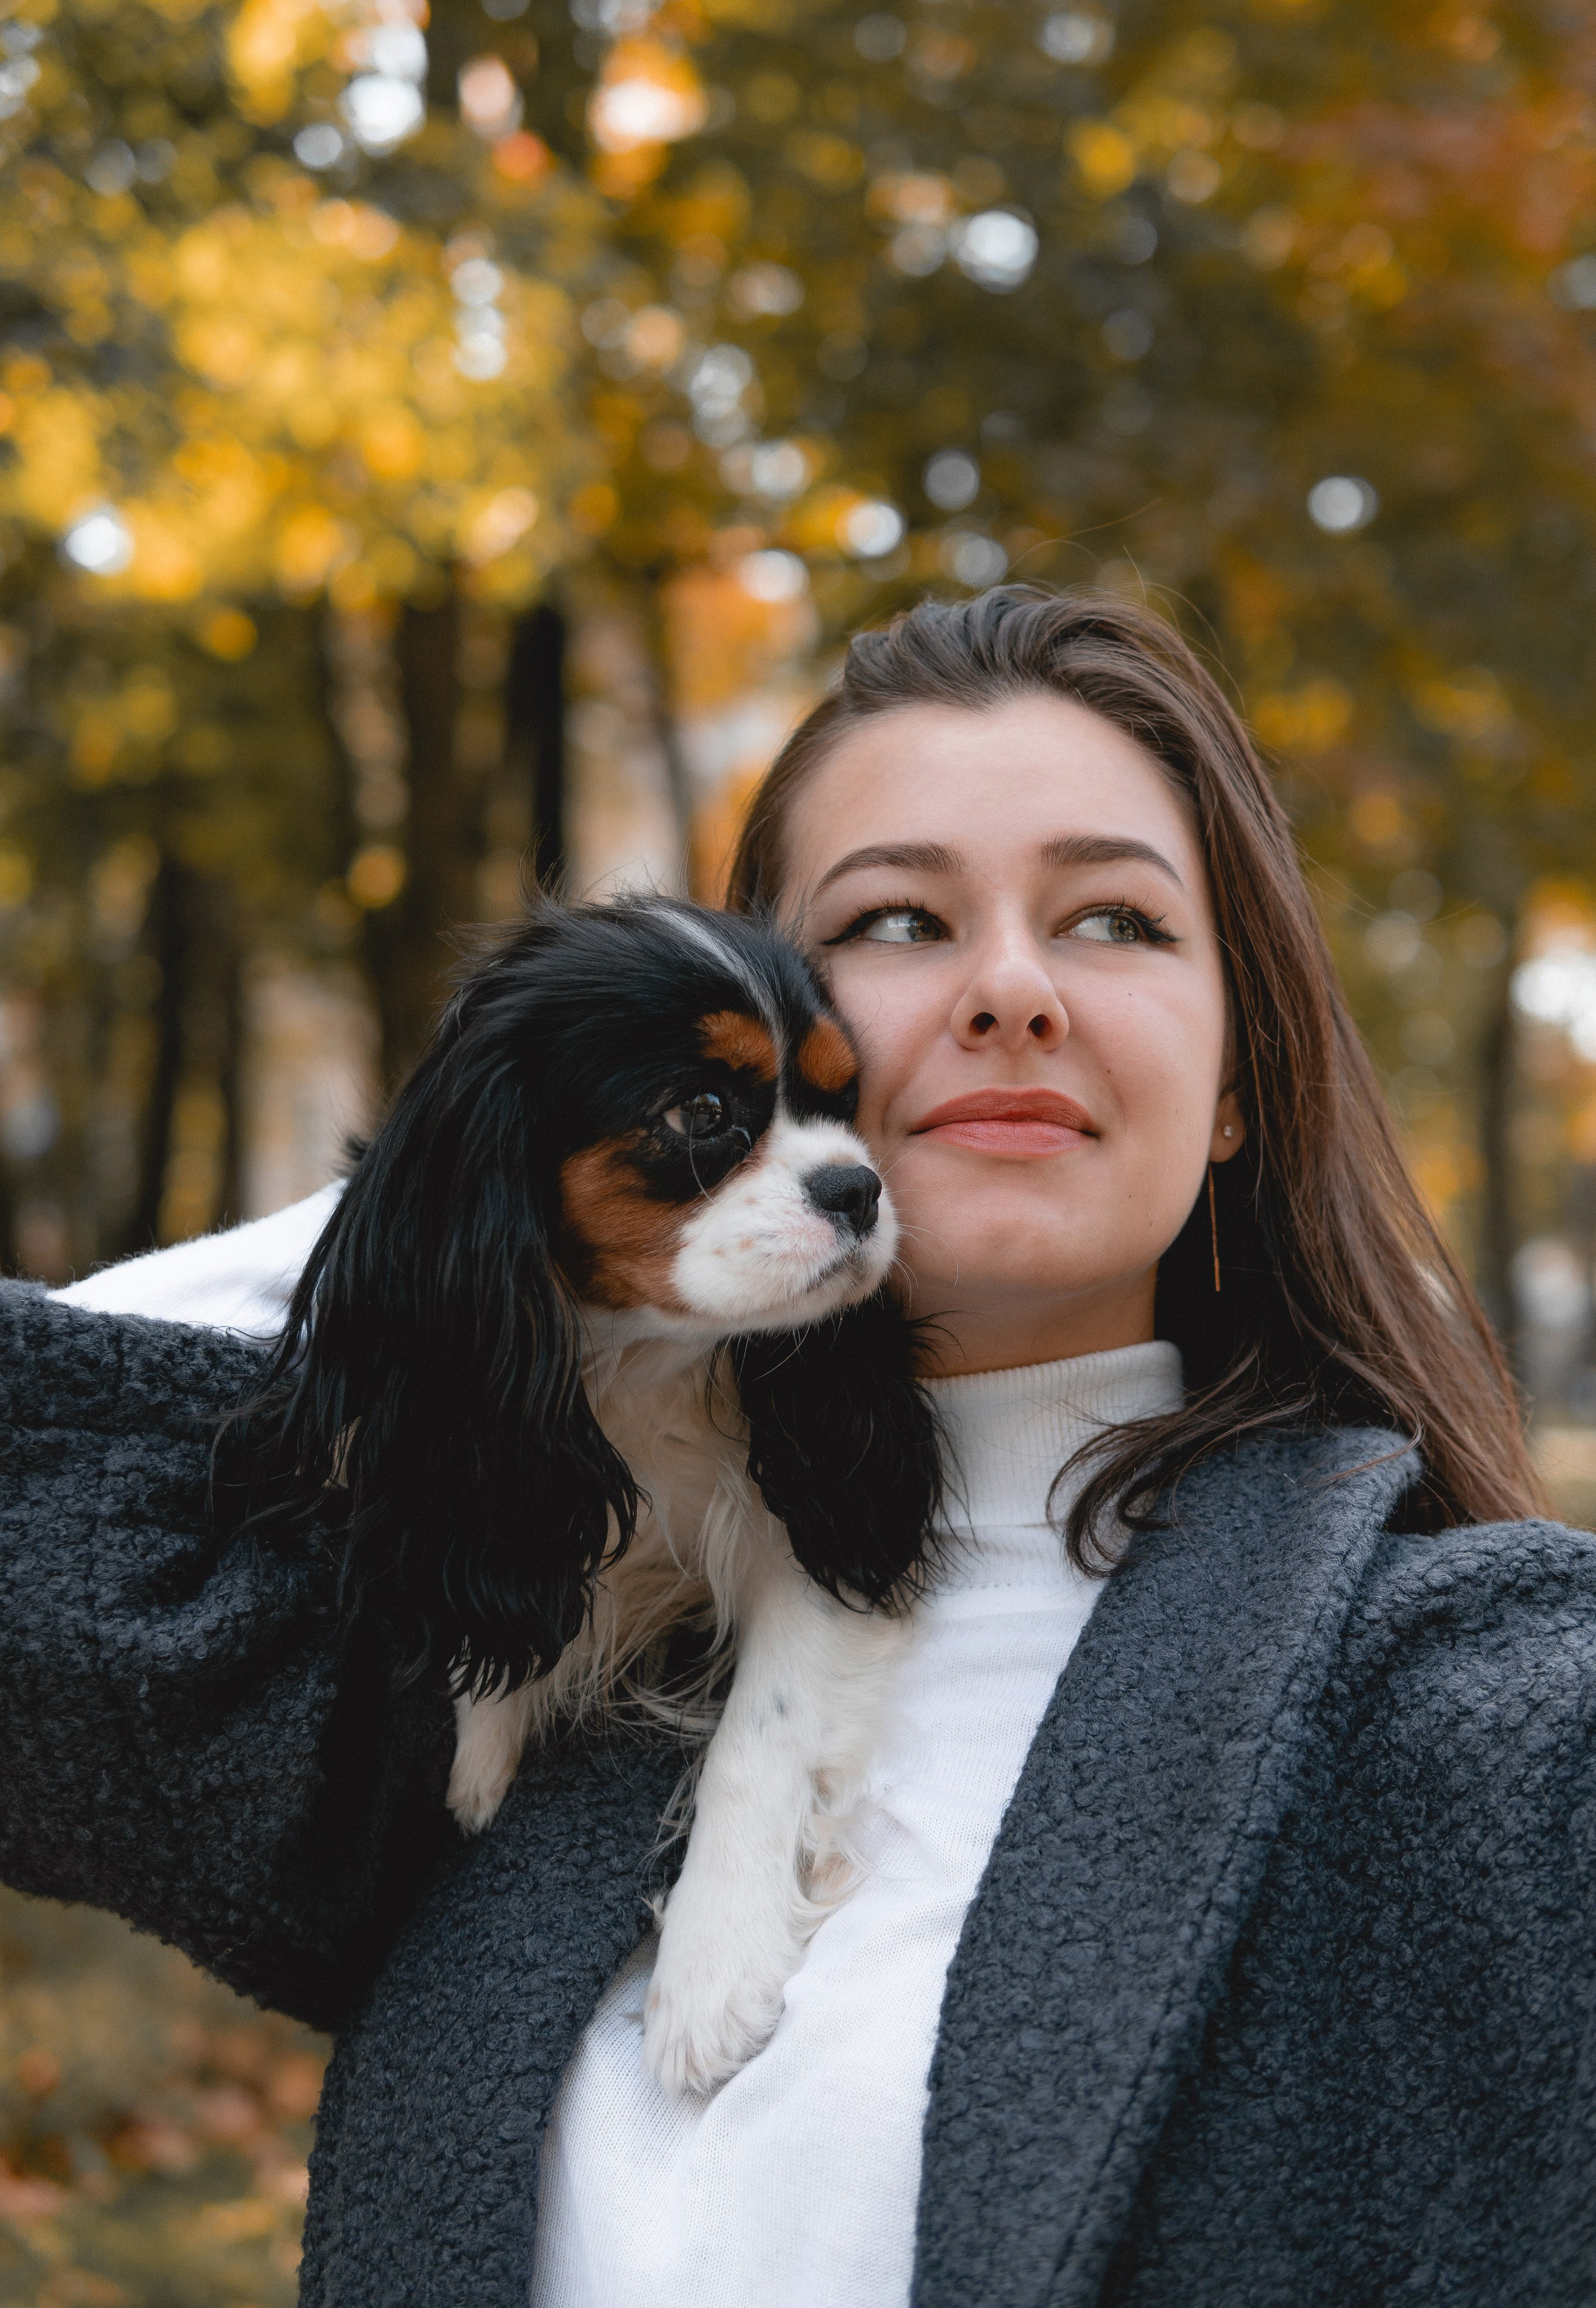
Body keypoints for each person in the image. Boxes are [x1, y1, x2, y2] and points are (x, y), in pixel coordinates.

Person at [3, 586, 1590, 2308]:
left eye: (1117, 920)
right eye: (900, 918)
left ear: (1236, 1083)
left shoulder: (1479, 1699)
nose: (1007, 989)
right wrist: (448, 1201)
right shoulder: (493, 1605)